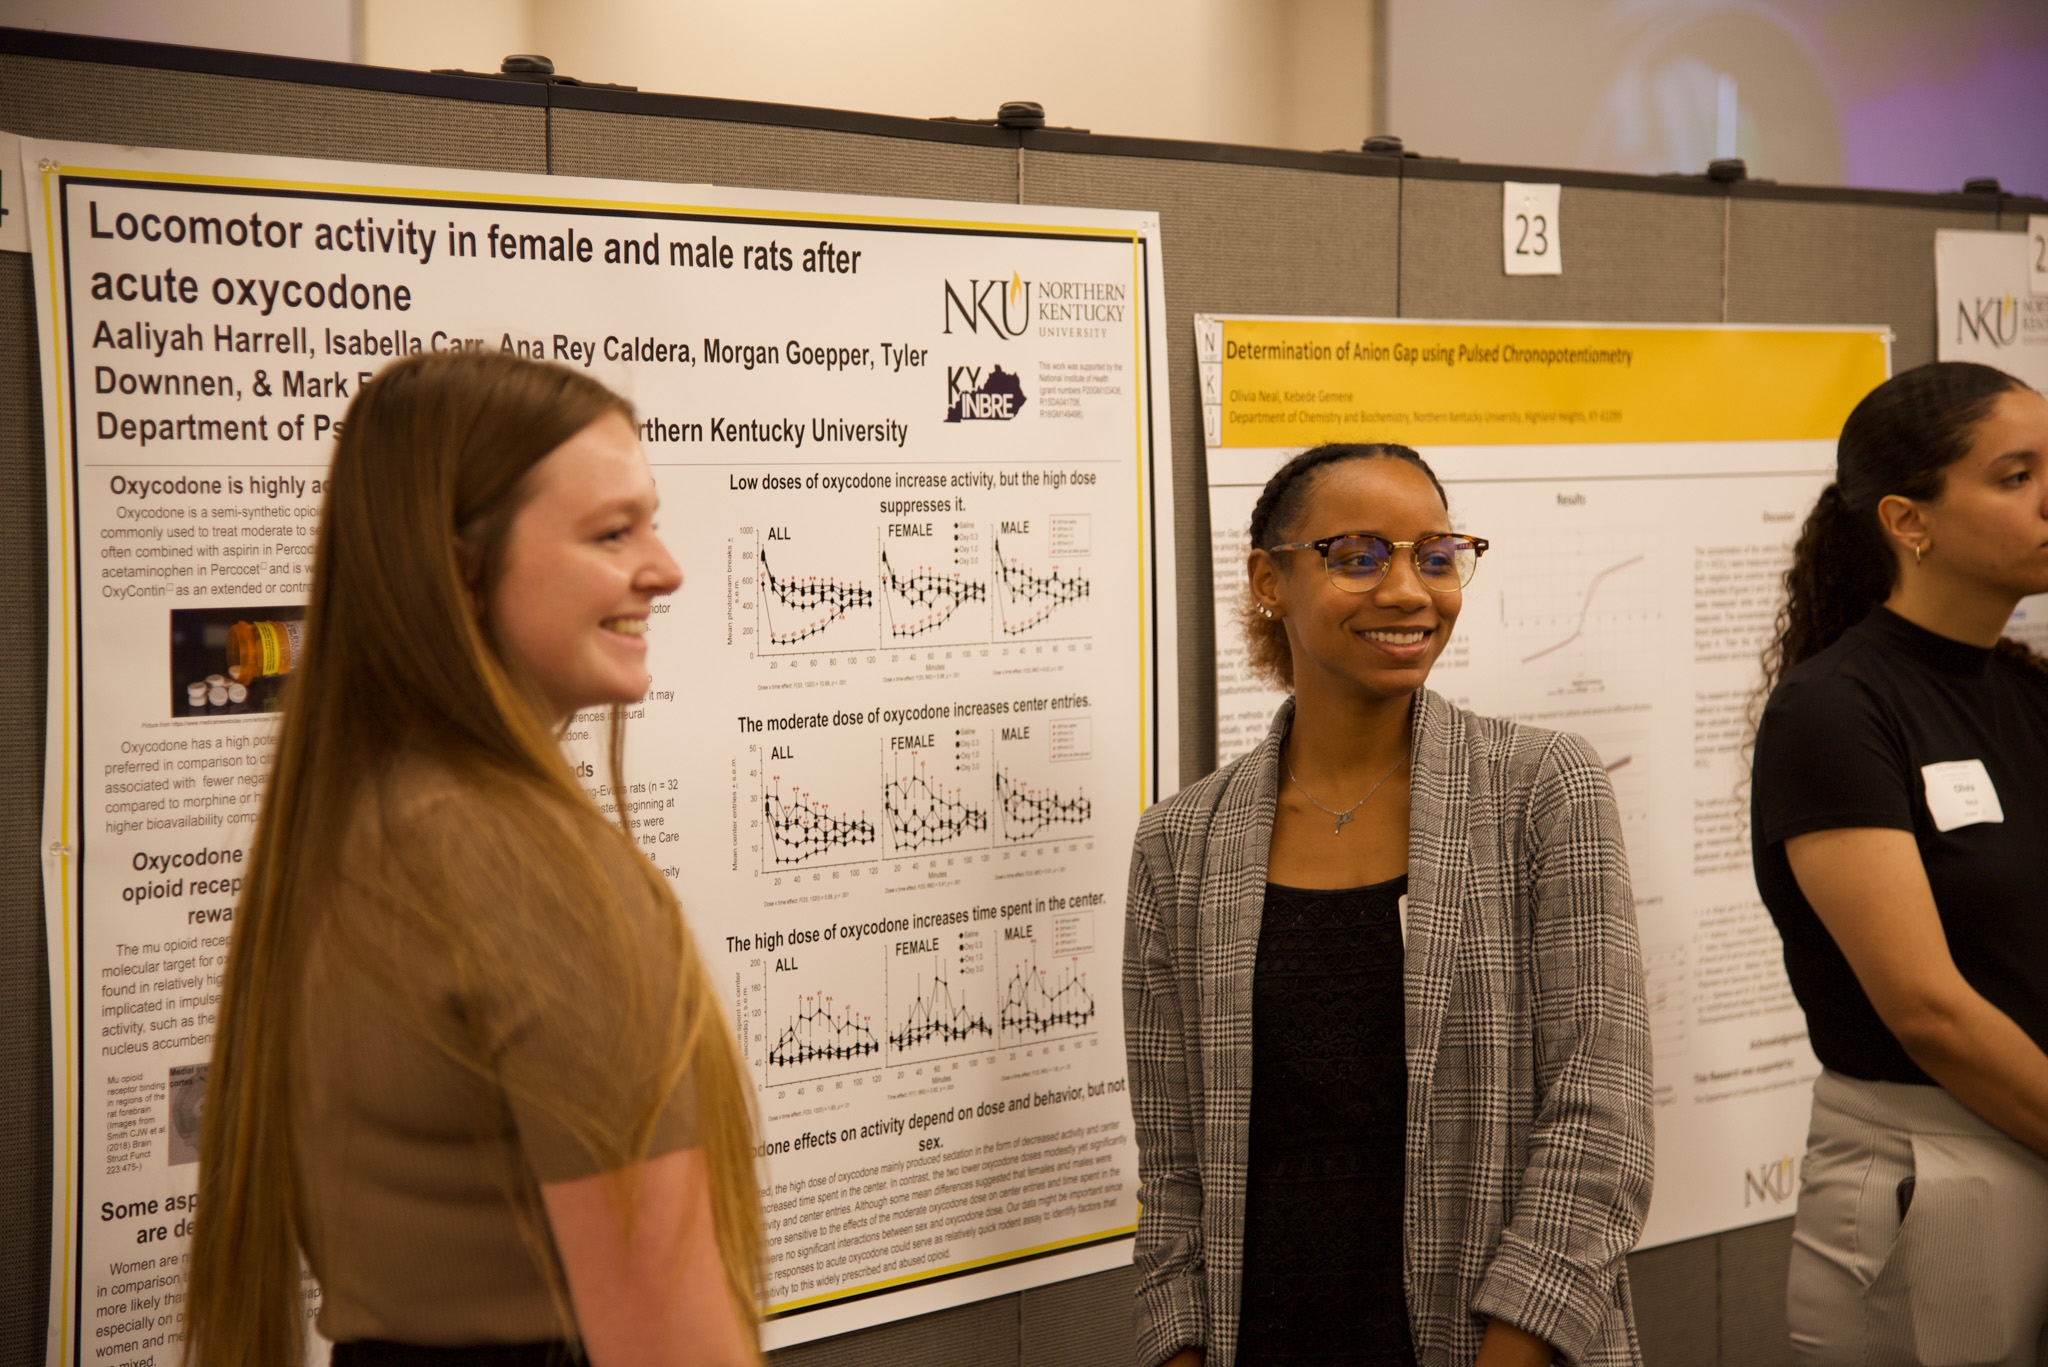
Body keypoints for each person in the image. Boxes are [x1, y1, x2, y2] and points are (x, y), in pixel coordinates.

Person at [183, 352, 762, 1367]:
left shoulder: (369, 816)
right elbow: (669, 1341)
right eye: (612, 531)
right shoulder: (528, 867)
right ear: (458, 569)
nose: (665, 567)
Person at [1125, 442, 1654, 1367]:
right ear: (1269, 580)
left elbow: (1598, 1121)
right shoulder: (1182, 842)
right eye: (1359, 556)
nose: (1410, 590)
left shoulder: (1539, 790)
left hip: (1488, 1348)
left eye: (1437, 556)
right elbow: (1175, 1174)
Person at [1750, 362, 2048, 1367]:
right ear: (1905, 521)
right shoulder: (1833, 709)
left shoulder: (2020, 686)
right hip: (1934, 1162)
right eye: (2013, 475)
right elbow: (1925, 1006)